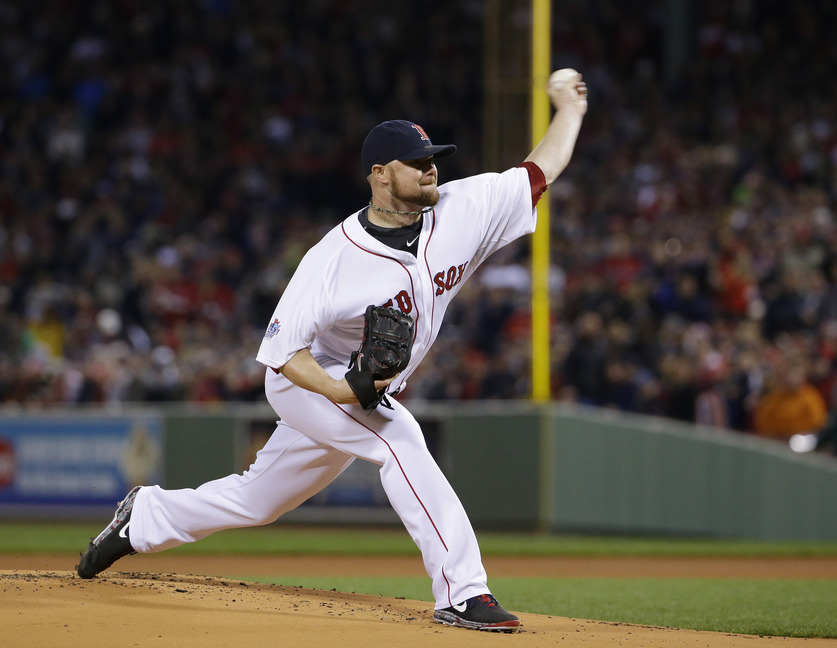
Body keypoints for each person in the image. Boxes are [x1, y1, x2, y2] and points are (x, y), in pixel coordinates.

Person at [76, 70, 588, 632]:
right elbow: (281, 354)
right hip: (309, 380)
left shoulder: (463, 208)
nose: (431, 167)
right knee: (400, 440)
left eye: (432, 157)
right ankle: (464, 592)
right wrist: (342, 389)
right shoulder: (331, 258)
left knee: (259, 500)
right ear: (380, 175)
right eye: (416, 161)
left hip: (359, 384)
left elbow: (538, 172)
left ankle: (143, 517)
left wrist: (570, 110)